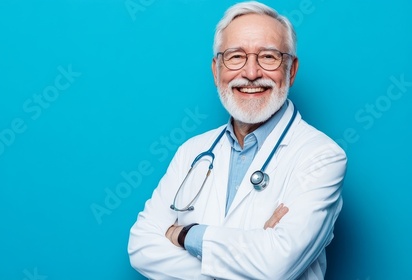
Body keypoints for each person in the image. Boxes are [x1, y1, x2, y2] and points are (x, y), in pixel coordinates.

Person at [128, 1, 347, 279]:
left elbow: (275, 267)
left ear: (291, 70)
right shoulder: (193, 151)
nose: (251, 73)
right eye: (235, 57)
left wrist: (184, 234)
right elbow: (141, 247)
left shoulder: (323, 156)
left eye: (268, 57)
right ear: (216, 69)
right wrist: (248, 254)